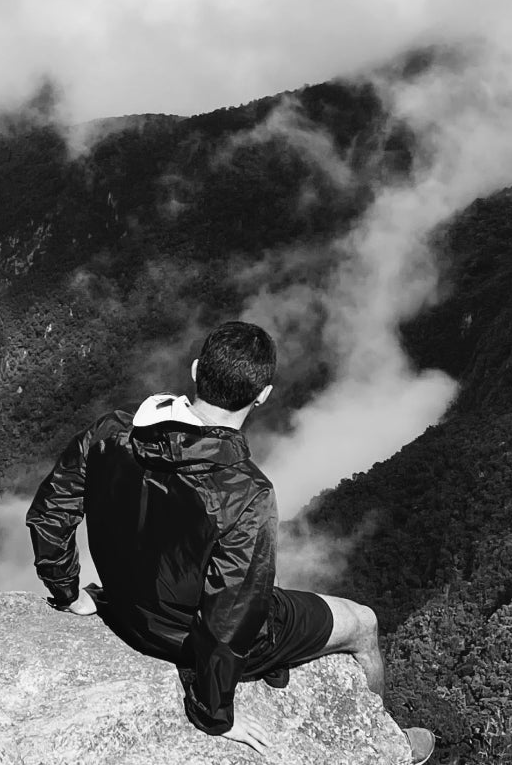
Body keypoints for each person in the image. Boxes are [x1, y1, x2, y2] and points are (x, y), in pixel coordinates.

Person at [26, 320, 435, 763]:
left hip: (123, 610)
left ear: (196, 369)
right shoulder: (244, 491)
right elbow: (232, 614)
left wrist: (68, 591)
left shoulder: (111, 430)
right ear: (263, 396)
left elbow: (50, 514)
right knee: (364, 622)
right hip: (185, 640)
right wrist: (215, 712)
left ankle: (286, 670)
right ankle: (389, 740)